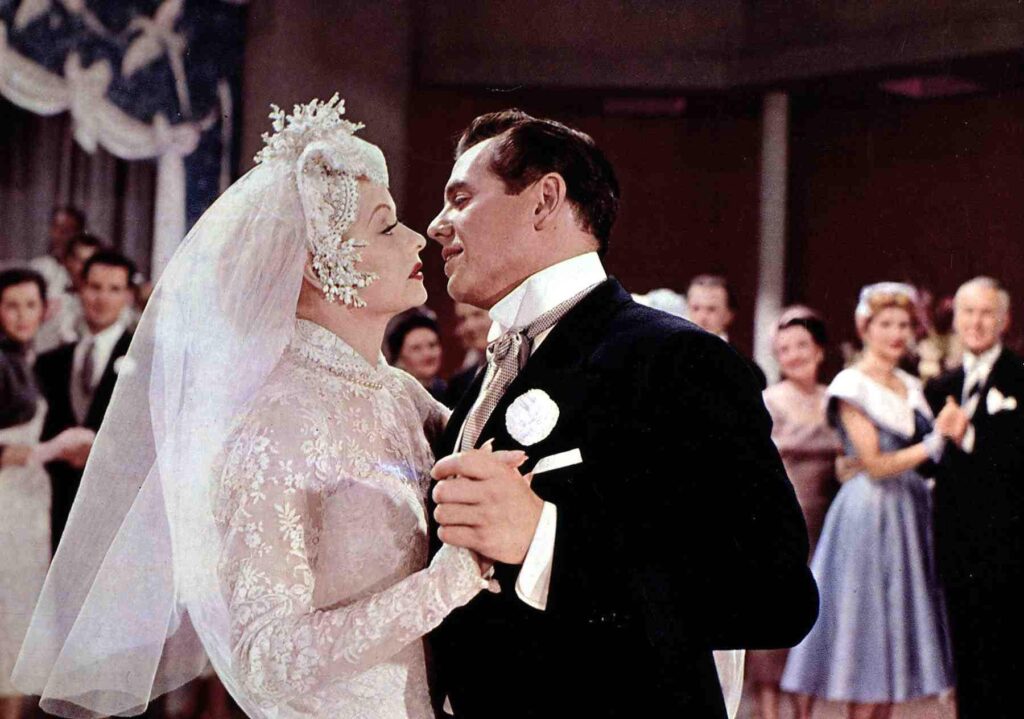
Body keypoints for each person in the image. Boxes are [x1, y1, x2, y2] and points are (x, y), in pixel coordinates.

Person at [14, 95, 494, 719]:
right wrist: (445, 585)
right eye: (385, 225)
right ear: (320, 266)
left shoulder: (399, 392)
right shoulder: (278, 423)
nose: (416, 237)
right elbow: (267, 658)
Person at [425, 109, 817, 718]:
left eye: (460, 199)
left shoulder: (676, 357)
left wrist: (546, 540)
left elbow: (776, 592)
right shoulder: (484, 378)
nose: (435, 225)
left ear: (544, 200)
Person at [781, 283, 956, 719]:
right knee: (868, 642)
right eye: (886, 324)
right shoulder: (851, 384)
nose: (896, 334)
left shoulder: (910, 385)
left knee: (895, 649)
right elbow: (874, 463)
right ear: (865, 328)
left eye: (904, 325)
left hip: (908, 510)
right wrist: (936, 442)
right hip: (871, 512)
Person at [924, 277, 1024, 719]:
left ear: (1004, 320)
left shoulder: (1019, 378)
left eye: (987, 313)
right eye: (968, 312)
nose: (976, 322)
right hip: (955, 541)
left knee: (1005, 655)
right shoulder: (939, 385)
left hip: (1008, 546)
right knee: (964, 652)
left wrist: (969, 436)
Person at [0, 269, 91, 719]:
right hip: (6, 498)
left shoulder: (24, 358)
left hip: (28, 498)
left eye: (30, 305)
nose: (22, 316)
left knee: (18, 609)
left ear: (45, 309)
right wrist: (49, 449)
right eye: (11, 306)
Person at [747, 306, 841, 719]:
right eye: (784, 349)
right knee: (775, 617)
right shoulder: (769, 400)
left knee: (816, 624)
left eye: (801, 345)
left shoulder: (836, 399)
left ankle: (804, 714)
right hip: (780, 521)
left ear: (819, 349)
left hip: (828, 523)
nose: (794, 355)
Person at [34, 249, 135, 551]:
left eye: (114, 289)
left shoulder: (149, 360)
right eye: (94, 287)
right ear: (79, 289)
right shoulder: (50, 361)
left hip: (117, 510)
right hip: (58, 508)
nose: (102, 298)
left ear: (128, 296)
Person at [686, 274, 767, 388]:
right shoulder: (669, 357)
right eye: (695, 308)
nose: (702, 317)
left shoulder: (747, 369)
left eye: (711, 309)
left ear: (729, 314)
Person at [33, 232, 103, 354]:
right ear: (68, 261)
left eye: (90, 262)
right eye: (80, 261)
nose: (85, 268)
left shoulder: (102, 299)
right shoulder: (47, 283)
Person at [386, 310, 447, 402]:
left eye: (432, 345)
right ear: (399, 358)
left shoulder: (449, 391)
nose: (427, 354)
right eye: (416, 348)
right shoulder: (393, 398)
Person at [445, 302, 490, 407]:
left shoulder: (522, 367)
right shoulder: (457, 385)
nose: (470, 326)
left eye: (477, 315)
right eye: (462, 319)